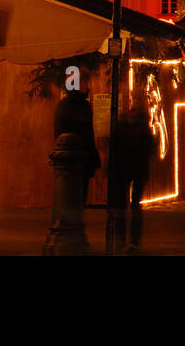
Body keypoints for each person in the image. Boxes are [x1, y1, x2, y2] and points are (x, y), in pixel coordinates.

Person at [111, 97, 156, 251]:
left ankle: (130, 241)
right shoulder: (138, 128)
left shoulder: (125, 126)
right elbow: (149, 148)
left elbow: (149, 148)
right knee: (124, 206)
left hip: (132, 170)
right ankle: (125, 240)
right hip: (127, 170)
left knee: (131, 206)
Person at [53, 87, 101, 206]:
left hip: (77, 156)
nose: (87, 86)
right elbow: (86, 133)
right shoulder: (76, 107)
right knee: (75, 195)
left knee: (75, 194)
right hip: (76, 156)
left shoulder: (74, 106)